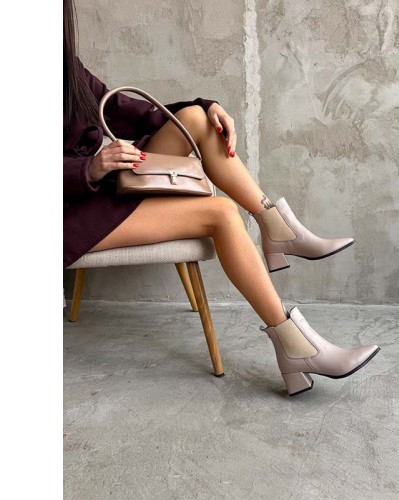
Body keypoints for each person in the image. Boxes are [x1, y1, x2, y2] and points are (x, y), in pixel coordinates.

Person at [63, 0, 379, 396]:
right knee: (222, 213)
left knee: (197, 119)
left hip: (94, 190)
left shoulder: (64, 66)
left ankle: (274, 225)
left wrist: (207, 106)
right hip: (65, 213)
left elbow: (131, 112)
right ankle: (296, 346)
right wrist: (87, 169)